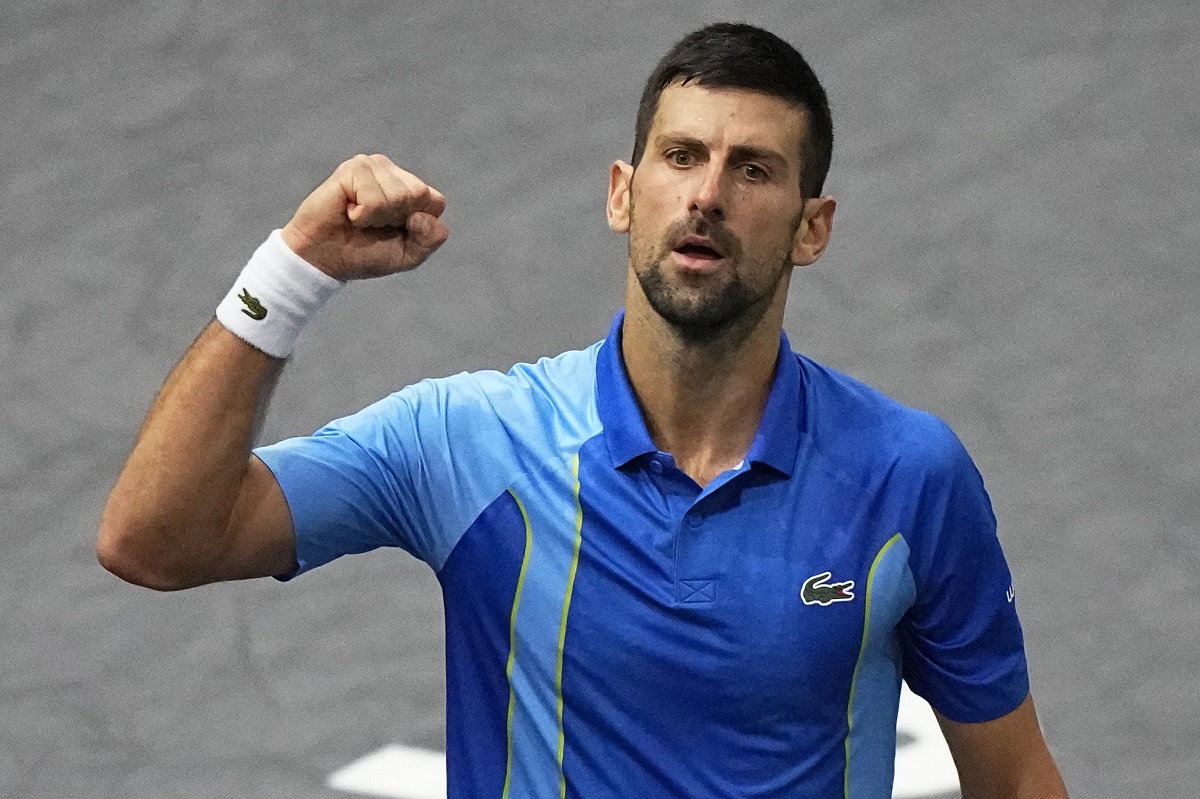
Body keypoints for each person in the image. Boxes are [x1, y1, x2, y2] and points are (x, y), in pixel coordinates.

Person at [98, 22, 1069, 799]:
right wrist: (292, 271)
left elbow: (1015, 777)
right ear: (623, 193)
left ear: (812, 227)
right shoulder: (470, 443)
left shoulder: (908, 475)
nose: (707, 194)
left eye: (754, 169)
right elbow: (156, 539)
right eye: (682, 156)